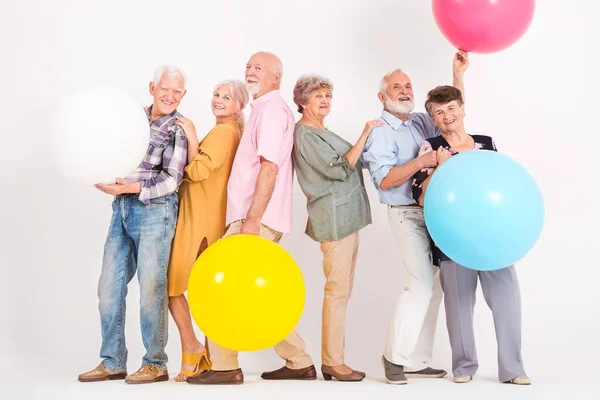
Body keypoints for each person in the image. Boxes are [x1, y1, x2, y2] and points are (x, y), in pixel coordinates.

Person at [188, 52, 315, 385]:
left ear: (277, 77)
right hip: (254, 217)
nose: (251, 71)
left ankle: (224, 365)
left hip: (255, 219)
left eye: (259, 67)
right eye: (248, 67)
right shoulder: (262, 110)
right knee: (254, 296)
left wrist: (251, 220)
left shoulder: (272, 111)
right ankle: (298, 360)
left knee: (220, 287)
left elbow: (269, 167)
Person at [411, 85, 531, 385]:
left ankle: (513, 369)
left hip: (494, 237)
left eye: (451, 108)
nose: (447, 115)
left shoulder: (484, 143)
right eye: (439, 112)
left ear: (462, 108)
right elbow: (422, 197)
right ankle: (463, 366)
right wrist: (440, 167)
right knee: (459, 306)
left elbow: (501, 184)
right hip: (453, 238)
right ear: (434, 120)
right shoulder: (430, 146)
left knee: (507, 302)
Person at [361, 51, 469, 384]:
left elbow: (450, 113)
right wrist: (424, 163)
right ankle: (393, 357)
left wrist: (458, 75)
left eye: (408, 85)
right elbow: (385, 180)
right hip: (406, 215)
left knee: (433, 287)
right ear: (383, 96)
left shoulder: (421, 121)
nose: (405, 90)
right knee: (420, 282)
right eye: (397, 87)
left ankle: (416, 359)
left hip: (434, 212)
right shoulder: (380, 131)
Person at [78, 65, 188, 384]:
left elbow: (173, 179)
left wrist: (134, 187)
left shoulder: (177, 128)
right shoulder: (131, 120)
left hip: (156, 210)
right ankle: (112, 361)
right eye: (164, 88)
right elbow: (110, 151)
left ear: (183, 95)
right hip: (122, 207)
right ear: (153, 87)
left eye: (177, 91)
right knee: (108, 288)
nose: (170, 96)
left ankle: (155, 363)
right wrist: (109, 179)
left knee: (151, 289)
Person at [292, 74, 382, 382]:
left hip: (347, 217)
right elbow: (342, 167)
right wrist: (366, 131)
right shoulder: (305, 134)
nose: (325, 101)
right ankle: (333, 362)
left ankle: (335, 359)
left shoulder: (320, 130)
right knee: (337, 291)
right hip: (333, 218)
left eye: (328, 95)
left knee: (341, 290)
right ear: (303, 101)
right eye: (318, 96)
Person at [167, 79, 249, 382]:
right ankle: (209, 355)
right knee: (203, 289)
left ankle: (194, 351)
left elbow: (198, 170)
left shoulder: (224, 132)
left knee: (173, 288)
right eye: (216, 94)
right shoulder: (232, 132)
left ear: (238, 105)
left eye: (226, 97)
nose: (218, 100)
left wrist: (190, 137)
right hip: (209, 217)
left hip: (198, 218)